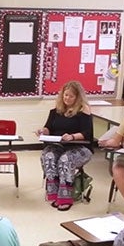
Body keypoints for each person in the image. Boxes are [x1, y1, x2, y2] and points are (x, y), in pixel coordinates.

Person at [36, 80, 93, 211]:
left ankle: (66, 197)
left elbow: (87, 133)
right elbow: (48, 128)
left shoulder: (83, 111)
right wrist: (43, 131)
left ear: (78, 97)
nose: (67, 98)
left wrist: (72, 136)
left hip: (79, 147)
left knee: (65, 160)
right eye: (65, 95)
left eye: (71, 96)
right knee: (48, 156)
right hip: (59, 145)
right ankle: (54, 192)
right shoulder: (55, 111)